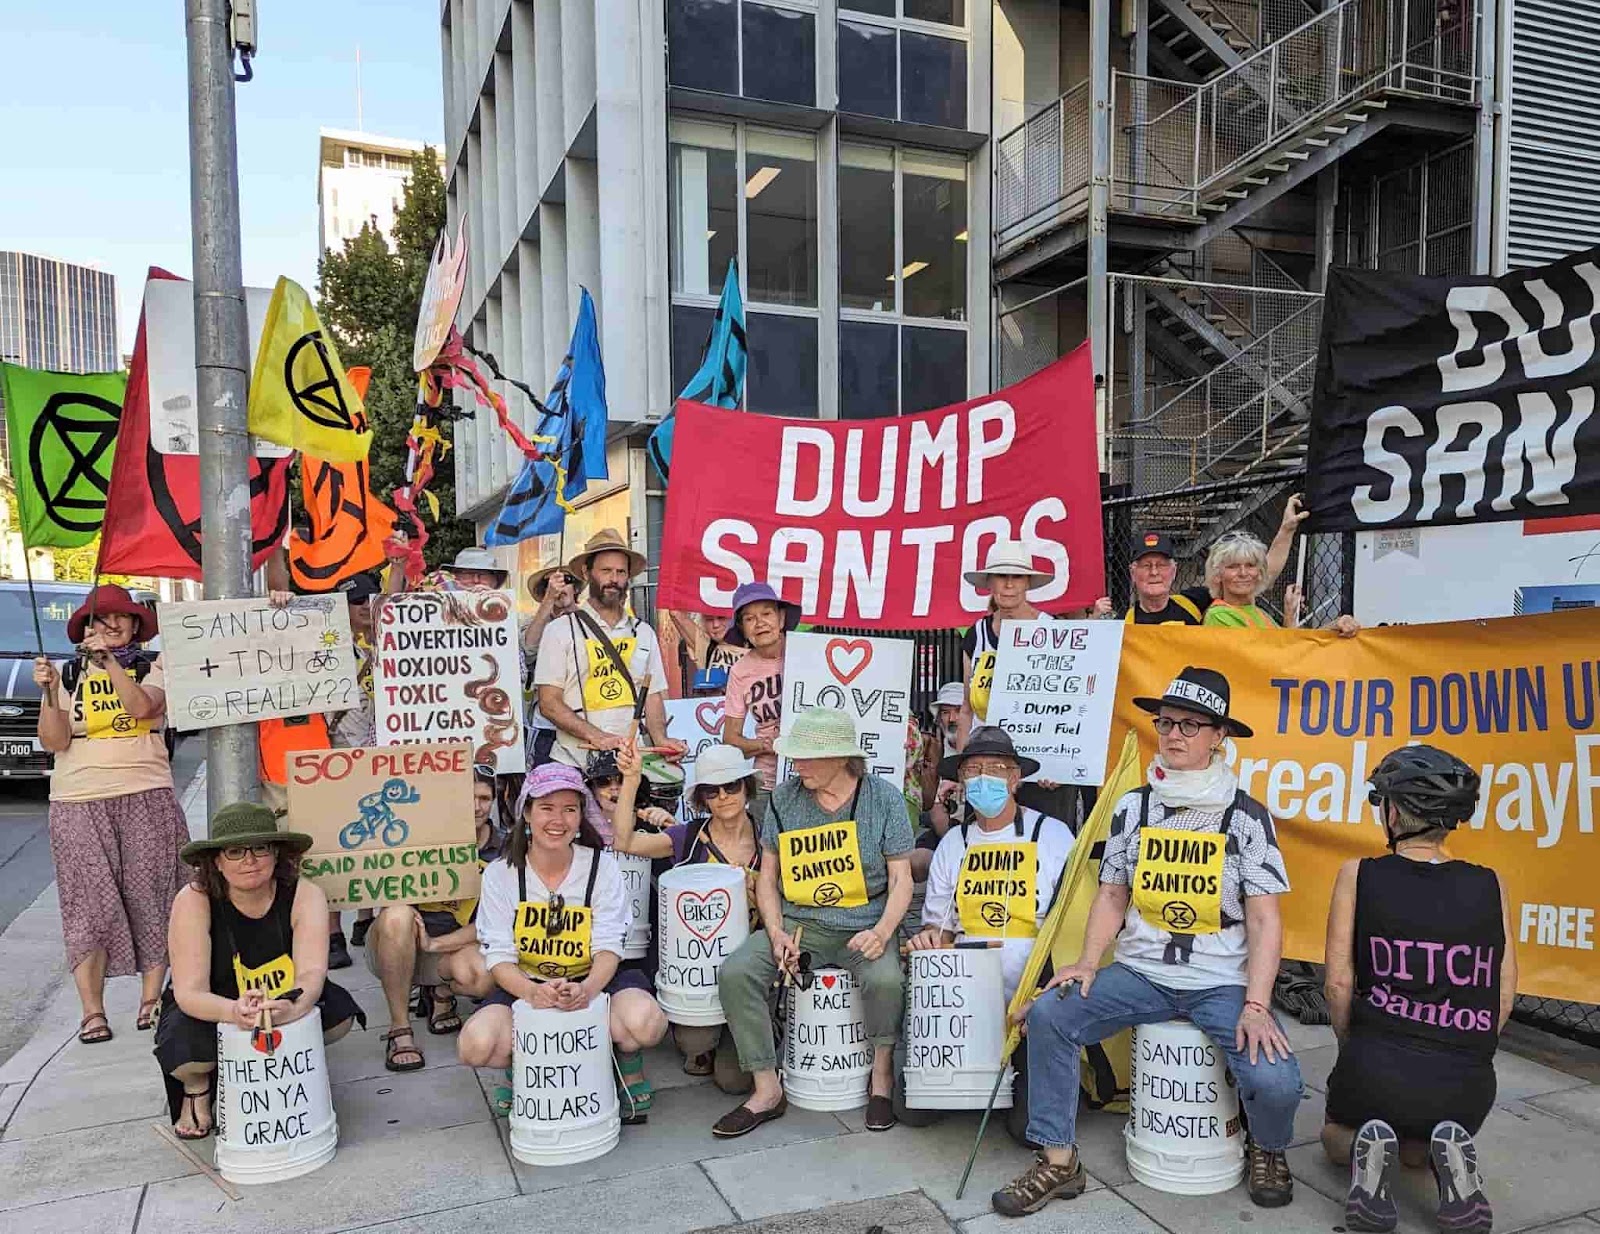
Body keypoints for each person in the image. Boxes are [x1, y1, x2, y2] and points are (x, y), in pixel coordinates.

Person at [992, 666, 1303, 1217]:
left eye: (1191, 725)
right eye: (1166, 723)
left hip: (1220, 982)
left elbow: (1264, 921)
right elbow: (1111, 895)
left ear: (1219, 737)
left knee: (1276, 1079)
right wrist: (1087, 962)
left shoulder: (1245, 816)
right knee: (1049, 1017)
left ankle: (1269, 1147)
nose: (1175, 735)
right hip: (1140, 974)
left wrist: (1256, 1004)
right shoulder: (1133, 807)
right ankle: (1059, 1160)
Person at [1321, 746, 1513, 1234]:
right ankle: (1439, 1150)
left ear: (1394, 810)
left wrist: (1352, 1045)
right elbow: (1503, 993)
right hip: (1467, 1083)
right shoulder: (1491, 884)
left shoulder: (1358, 874)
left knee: (1333, 1137)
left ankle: (1372, 1146)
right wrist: (1467, 1047)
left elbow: (1339, 982)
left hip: (1377, 1063)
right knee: (1416, 1148)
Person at [713, 708, 914, 1137]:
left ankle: (881, 1078)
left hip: (867, 921)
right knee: (737, 972)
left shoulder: (884, 798)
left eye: (808, 757)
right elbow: (768, 879)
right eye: (796, 756)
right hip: (801, 921)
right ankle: (766, 1088)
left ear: (842, 758)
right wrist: (776, 931)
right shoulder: (784, 798)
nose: (797, 765)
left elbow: (902, 880)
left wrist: (882, 933)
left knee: (886, 982)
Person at [457, 763, 668, 1121]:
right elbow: (499, 955)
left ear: (580, 816)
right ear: (526, 812)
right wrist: (531, 993)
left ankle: (624, 1061)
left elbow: (608, 946)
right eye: (546, 808)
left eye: (570, 809)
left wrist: (586, 989)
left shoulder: (602, 867)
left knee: (645, 1022)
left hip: (595, 978)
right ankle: (523, 1063)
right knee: (476, 1046)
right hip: (526, 982)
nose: (558, 820)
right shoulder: (500, 874)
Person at [33, 584, 187, 1045]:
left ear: (137, 624)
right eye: (98, 620)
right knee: (88, 905)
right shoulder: (68, 672)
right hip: (77, 798)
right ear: (85, 629)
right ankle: (92, 1011)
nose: (108, 626)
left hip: (144, 789)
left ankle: (150, 999)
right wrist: (47, 692)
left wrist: (111, 665)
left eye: (118, 618)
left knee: (153, 893)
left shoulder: (153, 664)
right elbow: (54, 741)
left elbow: (142, 708)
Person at [154, 804, 363, 1139]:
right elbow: (189, 991)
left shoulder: (305, 894)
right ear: (217, 861)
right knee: (185, 1050)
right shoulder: (194, 899)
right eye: (235, 851)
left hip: (282, 996)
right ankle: (197, 1089)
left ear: (276, 855)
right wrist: (233, 1011)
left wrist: (292, 1007)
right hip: (215, 1003)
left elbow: (311, 973)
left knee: (337, 1014)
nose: (248, 860)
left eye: (260, 849)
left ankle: (290, 1068)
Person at [907, 725, 1076, 1139]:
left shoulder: (1052, 836)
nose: (985, 778)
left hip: (1033, 997)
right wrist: (930, 941)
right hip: (964, 1004)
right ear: (962, 781)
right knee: (914, 1108)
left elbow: (1075, 926)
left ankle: (1032, 1065)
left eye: (997, 768)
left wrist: (1050, 992)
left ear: (1016, 778)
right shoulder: (954, 844)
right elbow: (939, 927)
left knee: (1026, 1130)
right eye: (974, 769)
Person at [610, 741, 763, 1092]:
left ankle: (755, 1025)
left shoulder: (768, 836)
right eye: (712, 790)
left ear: (747, 787)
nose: (723, 796)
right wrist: (631, 780)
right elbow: (625, 843)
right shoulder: (688, 837)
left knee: (733, 1082)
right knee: (694, 1044)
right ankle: (712, 1040)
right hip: (699, 976)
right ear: (702, 798)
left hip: (750, 967)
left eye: (732, 786)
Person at [365, 765, 502, 1070]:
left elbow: (497, 924)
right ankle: (400, 1029)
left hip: (455, 949)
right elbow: (386, 896)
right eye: (468, 797)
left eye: (484, 797)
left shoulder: (504, 849)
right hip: (399, 946)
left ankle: (440, 993)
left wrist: (436, 944)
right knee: (397, 915)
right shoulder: (413, 835)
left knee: (486, 973)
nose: (476, 806)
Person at [533, 528, 686, 769]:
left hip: (630, 762)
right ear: (587, 572)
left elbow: (653, 696)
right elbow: (549, 703)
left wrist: (661, 739)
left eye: (620, 572)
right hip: (573, 762)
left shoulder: (643, 632)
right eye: (606, 571)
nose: (614, 579)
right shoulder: (560, 630)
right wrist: (596, 736)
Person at [1104, 497, 1308, 625]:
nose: (1154, 572)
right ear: (1132, 572)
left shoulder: (1195, 601)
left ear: (1174, 570)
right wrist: (1093, 622)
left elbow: (1259, 574)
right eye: (1146, 566)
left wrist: (1286, 529)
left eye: (1162, 565)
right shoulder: (1125, 624)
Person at [957, 540, 1053, 748]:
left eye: (1017, 577)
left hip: (1039, 756)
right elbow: (967, 709)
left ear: (1027, 582)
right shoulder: (976, 634)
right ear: (989, 582)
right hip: (984, 756)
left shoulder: (1052, 631)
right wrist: (958, 771)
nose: (1009, 585)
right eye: (1001, 576)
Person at [721, 581, 800, 801]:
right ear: (742, 629)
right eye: (749, 618)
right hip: (768, 784)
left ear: (781, 618)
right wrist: (765, 745)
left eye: (766, 613)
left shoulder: (808, 652)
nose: (760, 623)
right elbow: (730, 738)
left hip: (815, 776)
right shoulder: (740, 672)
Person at [1202, 531, 1360, 636]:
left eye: (1250, 565)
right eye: (1233, 566)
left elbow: (1289, 648)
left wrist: (1334, 627)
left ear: (1259, 572)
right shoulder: (1219, 615)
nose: (1243, 573)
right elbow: (1277, 659)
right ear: (1218, 575)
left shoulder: (1259, 613)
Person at [522, 565, 581, 768]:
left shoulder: (592, 622)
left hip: (586, 723)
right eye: (551, 584)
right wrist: (549, 600)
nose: (559, 587)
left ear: (576, 589)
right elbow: (528, 649)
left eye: (566, 580)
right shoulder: (534, 624)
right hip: (547, 727)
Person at [667, 609, 746, 695]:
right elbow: (675, 613)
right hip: (718, 706)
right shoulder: (705, 645)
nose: (716, 625)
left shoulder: (757, 645)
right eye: (709, 619)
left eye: (721, 618)